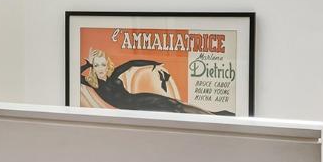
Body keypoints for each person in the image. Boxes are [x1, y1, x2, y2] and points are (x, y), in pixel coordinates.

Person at [80, 48, 232, 116]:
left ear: (107, 64)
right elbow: (76, 75)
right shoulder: (93, 83)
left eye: (102, 64)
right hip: (135, 108)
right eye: (97, 64)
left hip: (139, 99)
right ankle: (213, 115)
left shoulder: (113, 75)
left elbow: (132, 63)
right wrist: (87, 64)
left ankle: (213, 115)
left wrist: (154, 62)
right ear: (94, 66)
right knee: (174, 109)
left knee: (175, 105)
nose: (100, 68)